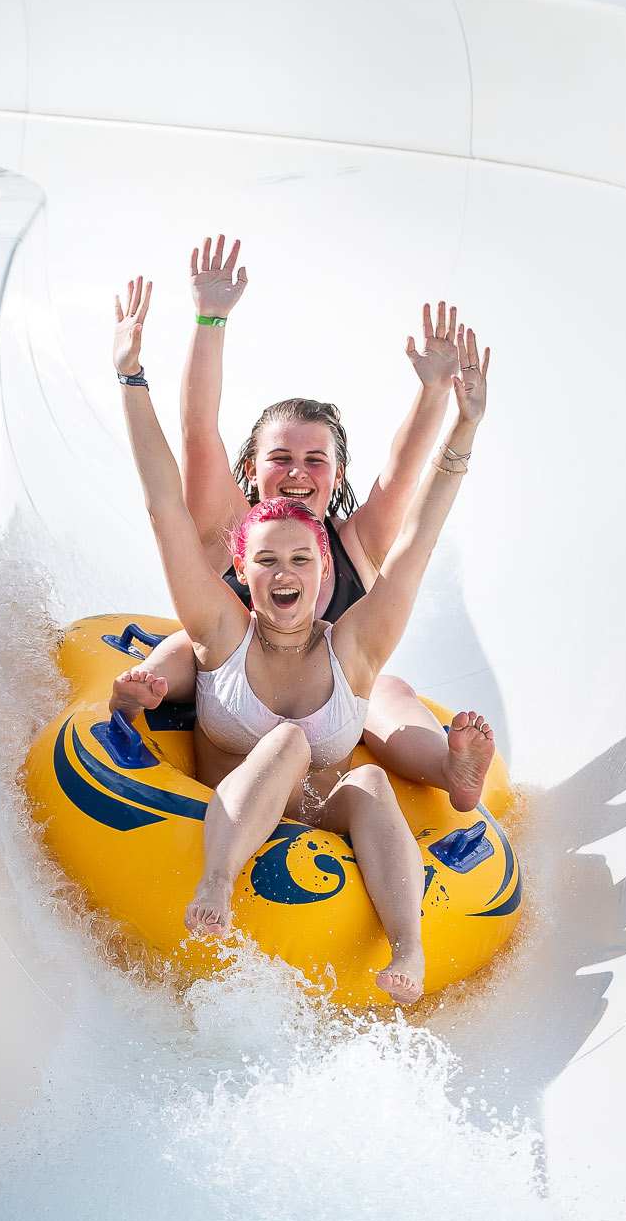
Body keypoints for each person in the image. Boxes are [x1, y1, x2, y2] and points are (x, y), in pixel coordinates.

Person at [111, 273, 490, 1006]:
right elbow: (164, 500)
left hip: (317, 801)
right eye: (268, 562)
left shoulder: (354, 641)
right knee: (276, 734)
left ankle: (407, 946)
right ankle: (216, 883)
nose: (287, 575)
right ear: (242, 568)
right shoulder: (220, 626)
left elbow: (418, 536)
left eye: (302, 561)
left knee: (372, 776)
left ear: (324, 568)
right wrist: (131, 373)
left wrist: (461, 423)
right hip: (228, 787)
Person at [107, 237, 496, 814]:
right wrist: (209, 318)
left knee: (386, 691)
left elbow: (406, 472)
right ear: (249, 469)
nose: (297, 473)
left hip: (329, 713)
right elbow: (197, 429)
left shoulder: (354, 543)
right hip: (227, 686)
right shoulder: (229, 527)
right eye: (280, 458)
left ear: (336, 478)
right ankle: (135, 699)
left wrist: (435, 390)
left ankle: (450, 766)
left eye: (316, 461)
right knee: (189, 645)